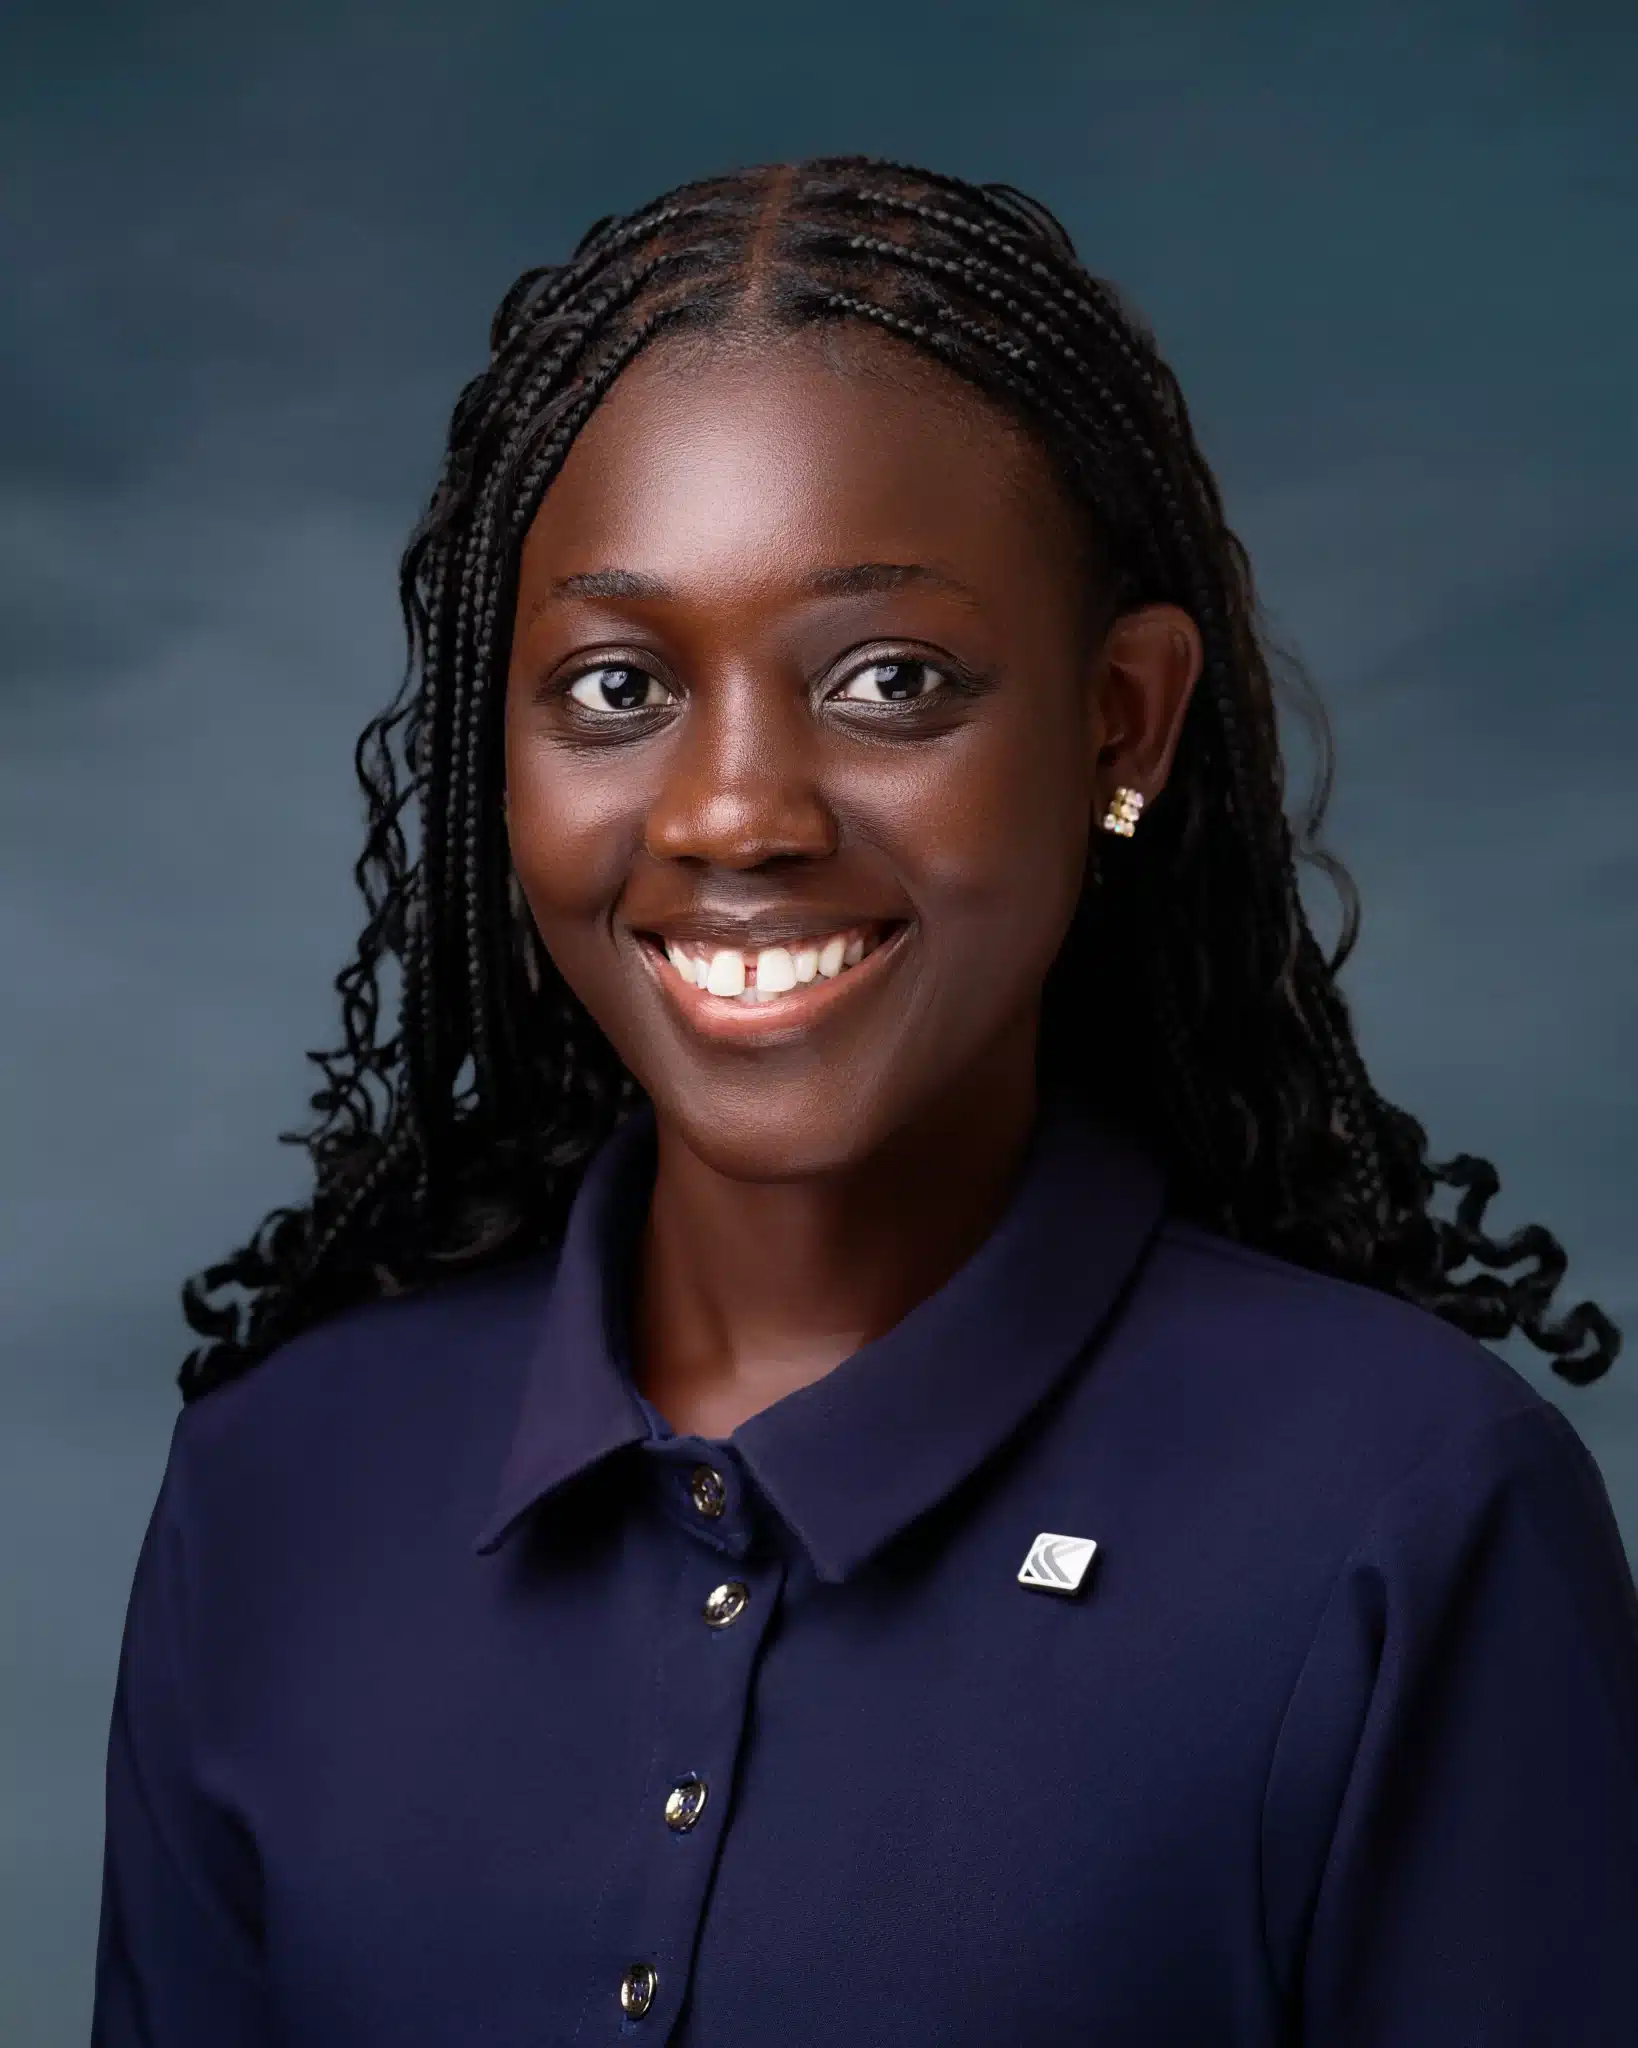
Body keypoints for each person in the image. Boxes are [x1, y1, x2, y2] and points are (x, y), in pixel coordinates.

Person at [93, 158, 1638, 2045]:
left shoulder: (1407, 1513)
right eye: (613, 686)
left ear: (1120, 724)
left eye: (889, 678)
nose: (733, 810)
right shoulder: (281, 1492)